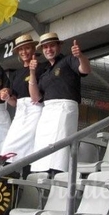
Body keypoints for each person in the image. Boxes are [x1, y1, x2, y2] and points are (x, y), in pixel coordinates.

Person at [29, 32, 91, 175]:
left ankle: (58, 176)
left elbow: (85, 69)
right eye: (45, 47)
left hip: (65, 107)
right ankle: (42, 177)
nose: (48, 50)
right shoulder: (45, 71)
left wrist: (80, 56)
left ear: (59, 46)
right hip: (47, 111)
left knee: (60, 148)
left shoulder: (69, 60)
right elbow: (36, 97)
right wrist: (32, 72)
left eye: (51, 46)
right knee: (43, 147)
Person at [0, 34, 46, 163]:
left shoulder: (43, 67)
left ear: (33, 49)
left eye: (27, 48)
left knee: (30, 145)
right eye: (21, 49)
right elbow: (14, 102)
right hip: (20, 113)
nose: (24, 52)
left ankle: (26, 174)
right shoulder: (15, 73)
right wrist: (7, 97)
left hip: (36, 110)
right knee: (9, 146)